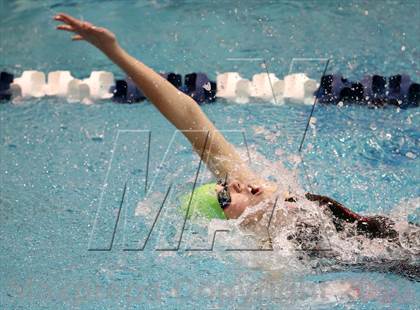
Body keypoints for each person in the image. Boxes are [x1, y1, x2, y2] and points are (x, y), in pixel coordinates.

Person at [53, 13, 405, 240]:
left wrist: (115, 52)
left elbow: (188, 115)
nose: (235, 184)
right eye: (224, 196)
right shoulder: (272, 248)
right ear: (227, 225)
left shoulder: (259, 192)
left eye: (225, 184)